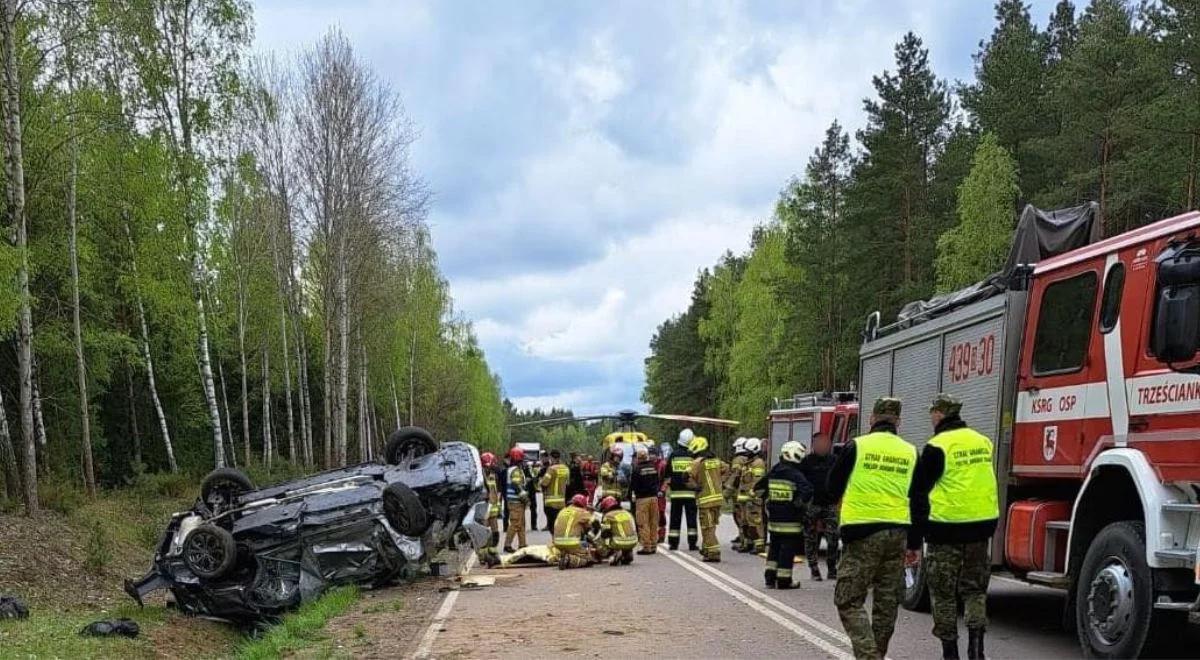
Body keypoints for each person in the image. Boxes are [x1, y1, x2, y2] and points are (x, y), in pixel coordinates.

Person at [909, 394, 999, 660]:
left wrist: (914, 540)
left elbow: (919, 494)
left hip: (945, 531)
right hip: (980, 530)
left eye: (932, 413)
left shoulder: (937, 446)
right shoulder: (982, 442)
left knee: (943, 594)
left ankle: (950, 653)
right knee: (975, 591)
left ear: (939, 414)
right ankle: (976, 649)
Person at [827, 397, 917, 660]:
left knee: (847, 599)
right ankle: (877, 651)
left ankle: (869, 657)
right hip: (898, 533)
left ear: (872, 419)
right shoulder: (911, 451)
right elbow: (919, 497)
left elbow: (832, 486)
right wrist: (914, 543)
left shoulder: (857, 446)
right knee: (886, 604)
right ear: (898, 421)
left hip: (862, 533)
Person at [755, 440, 813, 589]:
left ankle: (770, 577)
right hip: (791, 521)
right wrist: (798, 504)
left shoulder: (774, 471)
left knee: (774, 549)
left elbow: (759, 488)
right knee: (787, 550)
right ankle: (784, 580)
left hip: (774, 520)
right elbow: (807, 490)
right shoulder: (795, 474)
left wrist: (767, 501)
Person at [800, 431, 840, 581]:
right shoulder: (806, 462)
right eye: (820, 443)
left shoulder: (835, 461)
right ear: (814, 445)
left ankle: (832, 568)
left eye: (826, 443)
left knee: (833, 537)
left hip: (830, 504)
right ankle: (814, 568)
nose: (823, 446)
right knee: (810, 538)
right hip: (812, 504)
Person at [687, 435, 727, 562]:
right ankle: (706, 549)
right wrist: (721, 482)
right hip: (718, 499)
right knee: (711, 526)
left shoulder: (697, 462)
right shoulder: (717, 461)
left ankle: (714, 552)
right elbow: (727, 469)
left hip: (705, 501)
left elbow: (685, 476)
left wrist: (695, 487)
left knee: (707, 527)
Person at [666, 429, 699, 551]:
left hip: (675, 494)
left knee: (675, 519)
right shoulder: (693, 456)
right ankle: (692, 543)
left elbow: (667, 473)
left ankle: (673, 543)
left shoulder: (673, 455)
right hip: (690, 493)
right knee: (691, 520)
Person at [630, 446, 662, 554]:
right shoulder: (653, 467)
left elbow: (633, 485)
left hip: (642, 499)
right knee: (653, 522)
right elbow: (657, 481)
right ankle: (653, 545)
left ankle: (646, 546)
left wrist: (630, 495)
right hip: (654, 498)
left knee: (643, 522)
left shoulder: (637, 469)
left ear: (638, 458)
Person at [554, 494, 596, 569]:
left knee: (582, 543)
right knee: (589, 559)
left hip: (557, 543)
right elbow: (595, 523)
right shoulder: (582, 512)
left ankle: (566, 555)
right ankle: (569, 559)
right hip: (572, 543)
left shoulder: (563, 510)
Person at [739, 438, 767, 554]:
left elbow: (758, 482)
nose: (746, 453)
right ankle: (748, 543)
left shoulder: (758, 463)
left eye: (748, 451)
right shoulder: (748, 463)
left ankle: (759, 546)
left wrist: (753, 496)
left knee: (755, 522)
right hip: (746, 499)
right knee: (746, 522)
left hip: (754, 499)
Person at [594, 496, 638, 566]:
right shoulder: (627, 513)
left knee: (602, 540)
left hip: (618, 543)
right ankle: (627, 552)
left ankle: (615, 553)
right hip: (634, 541)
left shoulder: (608, 516)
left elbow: (605, 534)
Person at [503, 446, 529, 552]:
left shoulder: (515, 469)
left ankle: (522, 544)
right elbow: (516, 484)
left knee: (521, 523)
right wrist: (524, 498)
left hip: (516, 502)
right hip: (515, 502)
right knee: (515, 523)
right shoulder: (516, 470)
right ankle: (507, 545)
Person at [478, 452, 502, 566]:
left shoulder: (493, 475)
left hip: (493, 508)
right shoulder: (480, 477)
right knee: (483, 534)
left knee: (495, 533)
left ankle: (492, 552)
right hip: (484, 509)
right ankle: (483, 556)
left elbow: (496, 492)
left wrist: (499, 507)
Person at [725, 437, 748, 550]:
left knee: (740, 517)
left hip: (738, 493)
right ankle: (742, 537)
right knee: (745, 517)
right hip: (746, 493)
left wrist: (726, 493)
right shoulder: (750, 459)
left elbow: (734, 477)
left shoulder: (738, 460)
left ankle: (744, 540)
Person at [539, 450, 570, 531]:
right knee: (559, 523)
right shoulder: (565, 468)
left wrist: (540, 482)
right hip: (562, 501)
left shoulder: (551, 469)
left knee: (552, 525)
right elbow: (568, 483)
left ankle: (554, 541)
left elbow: (544, 483)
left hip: (551, 502)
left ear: (552, 458)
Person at [648, 445, 668, 544]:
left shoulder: (662, 464)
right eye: (650, 454)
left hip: (659, 494)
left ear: (657, 455)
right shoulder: (647, 465)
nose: (651, 456)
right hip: (650, 493)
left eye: (653, 454)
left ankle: (661, 535)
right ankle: (652, 534)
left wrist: (663, 490)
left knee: (661, 514)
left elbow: (667, 479)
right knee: (650, 515)